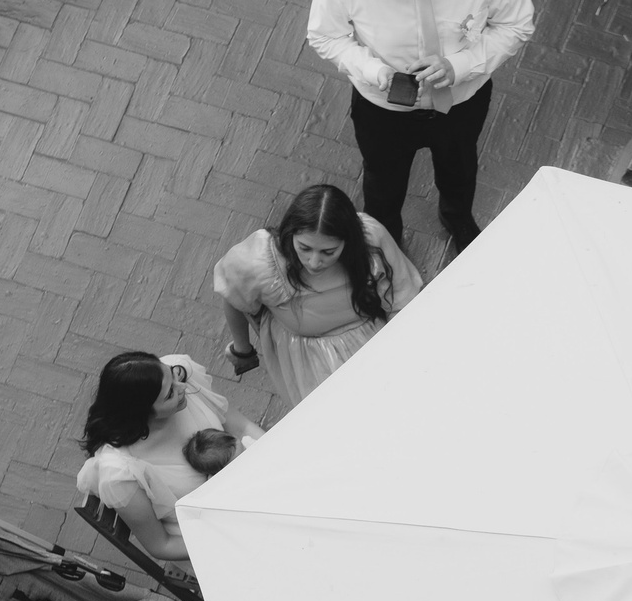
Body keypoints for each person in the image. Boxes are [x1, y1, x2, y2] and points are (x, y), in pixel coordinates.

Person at [306, 0, 535, 254]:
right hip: (382, 108)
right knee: (382, 185)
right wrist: (374, 71)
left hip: (461, 101)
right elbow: (325, 35)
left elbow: (517, 24)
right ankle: (385, 244)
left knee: (460, 168)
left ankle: (457, 217)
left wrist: (459, 65)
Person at [212, 184, 424, 410]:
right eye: (304, 247)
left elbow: (403, 297)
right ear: (291, 232)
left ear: (348, 241)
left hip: (374, 342)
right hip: (306, 361)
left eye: (328, 252)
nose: (314, 262)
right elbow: (233, 297)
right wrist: (242, 350)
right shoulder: (259, 260)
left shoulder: (371, 239)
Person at [74, 352, 265, 566]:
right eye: (170, 394)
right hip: (218, 541)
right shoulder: (119, 475)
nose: (182, 387)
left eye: (173, 375)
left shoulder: (171, 379)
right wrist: (242, 538)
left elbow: (241, 427)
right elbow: (162, 545)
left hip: (257, 492)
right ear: (141, 413)